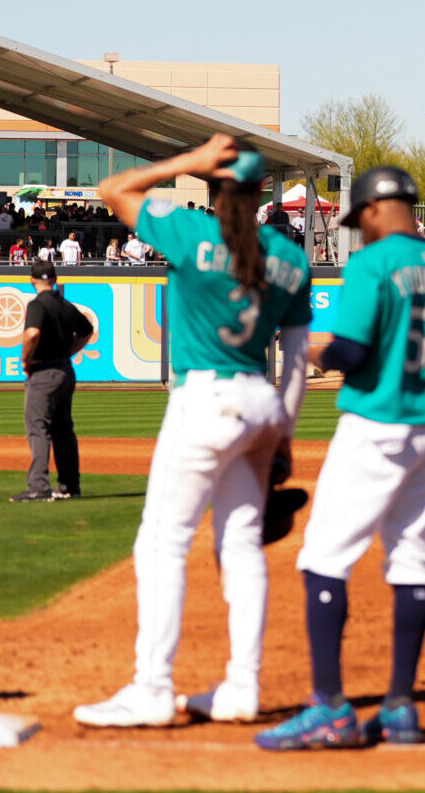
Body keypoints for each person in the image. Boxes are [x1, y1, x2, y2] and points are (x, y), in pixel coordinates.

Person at [73, 135, 312, 728]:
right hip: (260, 402)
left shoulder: (189, 231)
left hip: (205, 398)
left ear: (212, 184)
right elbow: (297, 361)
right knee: (241, 544)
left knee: (162, 543)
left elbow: (112, 189)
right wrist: (283, 434)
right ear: (262, 190)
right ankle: (242, 687)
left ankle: (152, 688)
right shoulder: (291, 259)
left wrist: (188, 161)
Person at [255, 166, 425, 750]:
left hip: (377, 424)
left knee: (324, 557)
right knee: (412, 559)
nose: (360, 229)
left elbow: (352, 352)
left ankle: (329, 708)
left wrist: (314, 352)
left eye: (361, 218)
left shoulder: (372, 264)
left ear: (377, 209)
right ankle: (400, 707)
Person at [12, 260, 94, 502]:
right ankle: (70, 486)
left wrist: (26, 359)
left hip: (44, 371)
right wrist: (69, 351)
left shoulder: (38, 304)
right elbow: (87, 330)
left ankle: (39, 487)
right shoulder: (65, 304)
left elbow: (32, 333)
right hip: (65, 371)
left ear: (31, 280)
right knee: (63, 429)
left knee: (38, 427)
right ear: (55, 279)